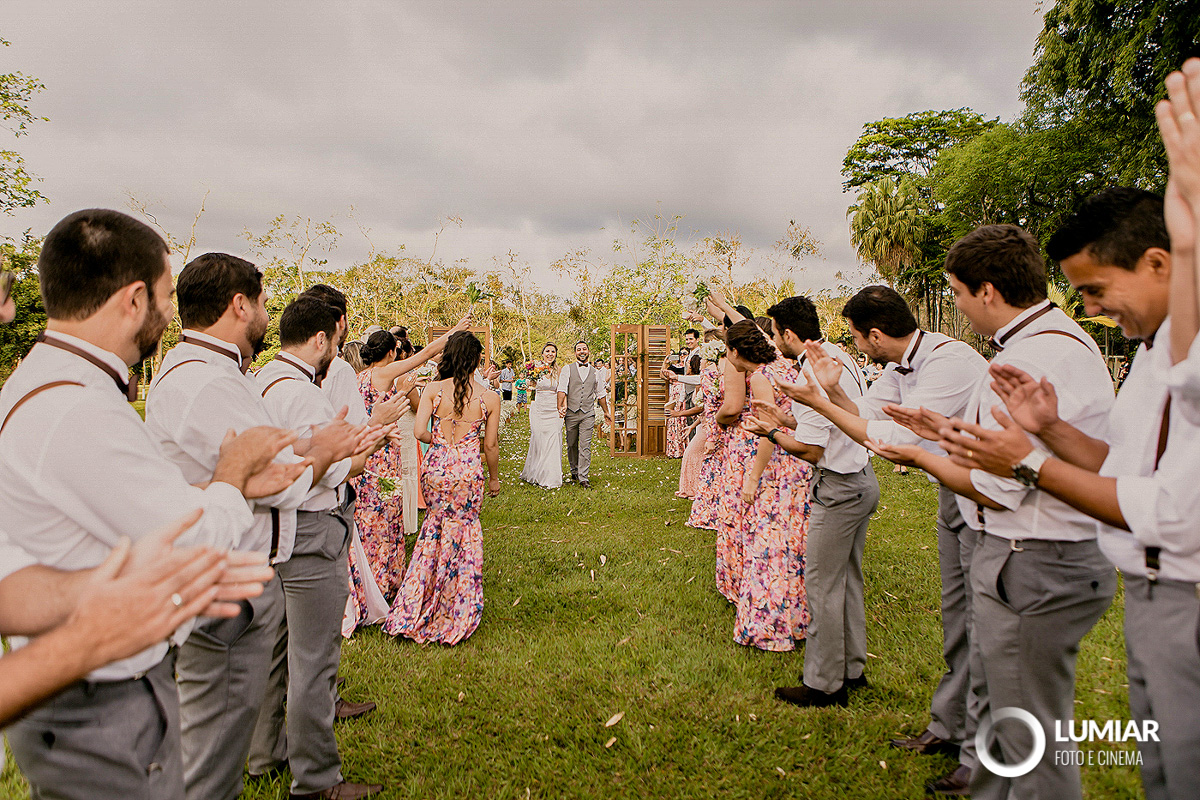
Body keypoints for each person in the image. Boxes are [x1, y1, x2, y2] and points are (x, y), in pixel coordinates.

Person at [0, 209, 300, 800]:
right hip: (101, 700)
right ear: (135, 299)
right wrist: (232, 478)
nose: (170, 313)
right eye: (166, 297)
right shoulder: (77, 406)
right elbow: (189, 540)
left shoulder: (54, 382)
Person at [940, 182, 1200, 799]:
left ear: (1159, 262)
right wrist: (1051, 429)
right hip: (1152, 592)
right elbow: (1125, 470)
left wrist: (1029, 461)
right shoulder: (1151, 350)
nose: (1090, 310)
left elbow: (1167, 510)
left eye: (1096, 291)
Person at [867, 225, 1116, 800]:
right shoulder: (1049, 342)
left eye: (954, 291)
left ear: (985, 291)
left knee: (1030, 744)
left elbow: (997, 483)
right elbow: (1017, 450)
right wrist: (947, 432)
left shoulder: (1031, 360)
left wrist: (917, 454)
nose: (953, 304)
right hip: (1038, 554)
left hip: (1034, 559)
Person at [146, 254, 371, 800]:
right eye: (264, 302)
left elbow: (266, 448)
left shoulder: (219, 373)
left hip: (244, 570)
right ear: (239, 304)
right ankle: (312, 781)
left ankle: (272, 757)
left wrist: (305, 448)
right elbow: (280, 481)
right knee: (210, 762)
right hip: (225, 579)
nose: (269, 314)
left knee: (231, 727)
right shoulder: (206, 384)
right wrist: (329, 452)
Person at [773, 284, 987, 791]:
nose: (855, 348)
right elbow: (871, 420)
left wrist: (818, 401)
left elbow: (891, 444)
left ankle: (979, 752)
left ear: (874, 334)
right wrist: (835, 394)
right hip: (951, 496)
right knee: (958, 620)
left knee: (985, 627)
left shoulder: (948, 362)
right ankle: (949, 727)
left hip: (987, 501)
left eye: (856, 339)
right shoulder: (896, 367)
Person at [255, 296, 391, 799]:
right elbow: (336, 470)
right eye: (335, 340)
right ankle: (315, 781)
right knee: (314, 662)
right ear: (319, 340)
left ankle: (265, 752)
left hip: (272, 532)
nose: (338, 347)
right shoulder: (305, 396)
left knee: (276, 651)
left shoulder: (262, 381)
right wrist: (367, 445)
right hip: (311, 529)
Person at [751, 295, 877, 708]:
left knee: (822, 585)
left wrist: (770, 434)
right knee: (848, 581)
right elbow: (831, 425)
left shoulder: (811, 373)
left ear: (789, 334)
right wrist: (784, 419)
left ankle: (824, 684)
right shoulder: (835, 355)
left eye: (773, 333)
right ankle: (851, 668)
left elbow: (811, 451)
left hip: (838, 488)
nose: (772, 341)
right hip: (861, 480)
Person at [384, 331, 500, 644]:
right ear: (476, 361)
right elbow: (489, 445)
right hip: (467, 471)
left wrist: (444, 446)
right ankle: (455, 605)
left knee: (433, 530)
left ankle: (416, 603)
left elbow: (420, 431)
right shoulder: (489, 398)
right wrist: (493, 478)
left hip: (435, 468)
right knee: (463, 533)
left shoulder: (433, 389)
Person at [354, 321, 467, 599]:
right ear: (392, 352)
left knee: (374, 518)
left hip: (369, 451)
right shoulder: (383, 372)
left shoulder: (359, 377)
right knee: (383, 518)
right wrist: (454, 331)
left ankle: (382, 580)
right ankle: (382, 584)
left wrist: (402, 390)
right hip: (381, 454)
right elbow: (425, 353)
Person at [725, 319, 812, 652]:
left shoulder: (761, 377)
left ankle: (769, 623)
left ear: (736, 351)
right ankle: (798, 617)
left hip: (780, 465)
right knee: (792, 541)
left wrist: (752, 477)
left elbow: (770, 433)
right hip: (800, 460)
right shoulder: (780, 362)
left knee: (770, 543)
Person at [557, 341, 612, 488]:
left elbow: (600, 393)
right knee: (571, 443)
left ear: (588, 351)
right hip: (571, 413)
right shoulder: (567, 369)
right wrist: (560, 406)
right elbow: (562, 389)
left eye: (584, 349)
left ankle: (583, 477)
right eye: (579, 349)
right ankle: (574, 470)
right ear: (575, 353)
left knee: (585, 445)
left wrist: (606, 412)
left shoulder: (595, 372)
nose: (582, 351)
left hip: (588, 413)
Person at [686, 332, 727, 523]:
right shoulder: (718, 370)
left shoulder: (712, 372)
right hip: (717, 424)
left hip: (717, 426)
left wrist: (711, 435)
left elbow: (710, 406)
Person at [520, 343, 564, 488]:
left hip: (554, 409)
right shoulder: (534, 368)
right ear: (542, 353)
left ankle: (551, 476)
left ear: (556, 354)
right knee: (538, 438)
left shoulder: (560, 370)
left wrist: (563, 407)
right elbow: (529, 385)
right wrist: (530, 381)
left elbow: (563, 391)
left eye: (553, 351)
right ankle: (536, 472)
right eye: (547, 351)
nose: (550, 354)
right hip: (538, 408)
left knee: (553, 439)